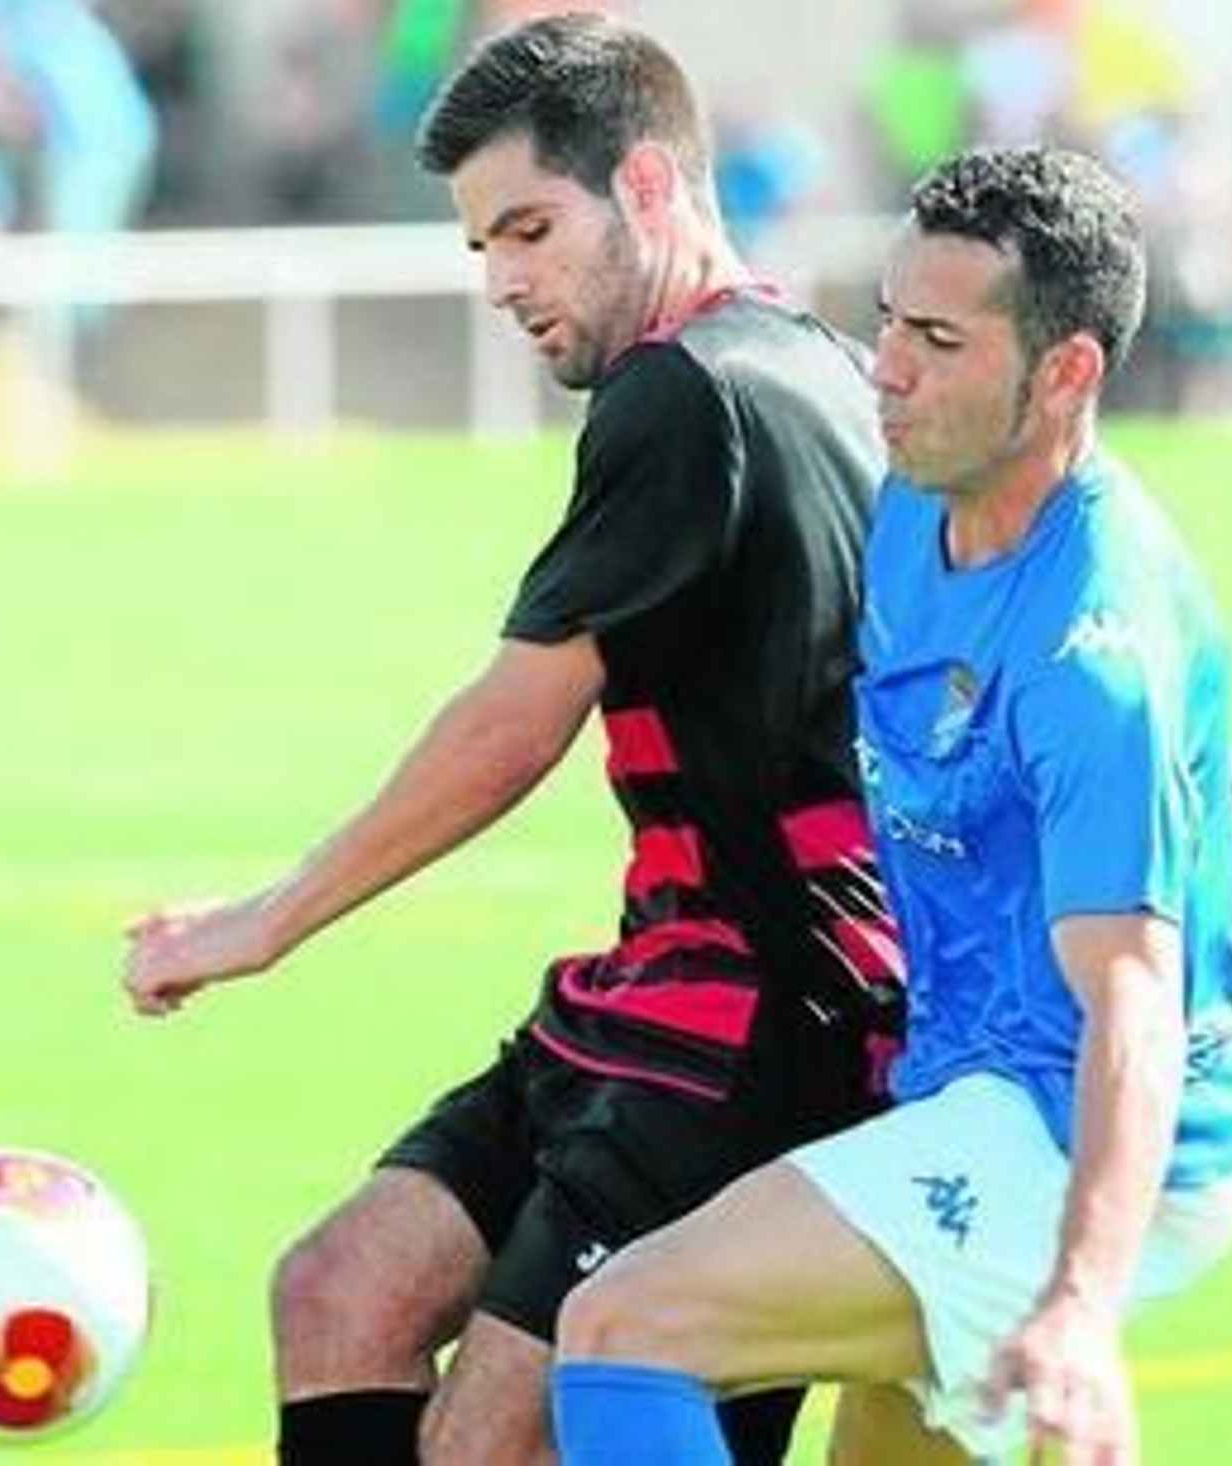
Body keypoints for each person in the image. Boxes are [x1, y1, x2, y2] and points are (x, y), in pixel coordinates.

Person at [122, 13, 904, 1465]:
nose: (502, 281)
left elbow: (514, 722)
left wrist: (265, 920)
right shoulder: (827, 363)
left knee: (491, 1439)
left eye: (531, 230)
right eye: (483, 245)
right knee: (338, 1289)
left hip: (755, 1023)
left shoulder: (686, 392)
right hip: (668, 992)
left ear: (650, 186)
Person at [550, 144, 1232, 1466]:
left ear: (1066, 373)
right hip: (969, 1083)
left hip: (1075, 1130)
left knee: (623, 1326)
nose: (886, 367)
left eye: (939, 342)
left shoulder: (1094, 651)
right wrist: (1207, 761)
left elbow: (1133, 1000)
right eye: (888, 320)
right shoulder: (917, 506)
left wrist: (1080, 1300)